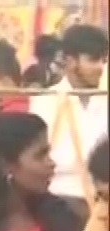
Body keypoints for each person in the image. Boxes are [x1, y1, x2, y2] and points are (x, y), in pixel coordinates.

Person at [32, 24, 109, 212]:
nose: (100, 67)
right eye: (93, 59)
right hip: (57, 203)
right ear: (71, 60)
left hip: (102, 204)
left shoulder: (105, 101)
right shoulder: (45, 102)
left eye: (104, 60)